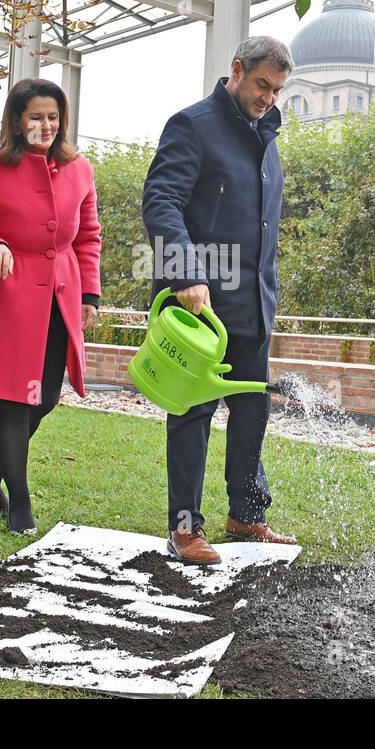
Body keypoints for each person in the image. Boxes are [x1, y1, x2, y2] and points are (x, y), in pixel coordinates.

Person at [142, 36, 300, 566]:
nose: (268, 98)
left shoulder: (266, 137)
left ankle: (246, 514)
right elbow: (162, 201)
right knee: (192, 411)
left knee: (252, 409)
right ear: (236, 71)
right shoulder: (193, 125)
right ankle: (185, 528)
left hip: (254, 304)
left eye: (277, 90)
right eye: (262, 85)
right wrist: (186, 271)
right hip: (200, 308)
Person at [0, 78, 101, 536]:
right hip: (10, 301)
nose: (46, 125)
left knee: (46, 397)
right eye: (36, 116)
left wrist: (90, 294)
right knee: (17, 403)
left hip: (60, 296)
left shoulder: (80, 169)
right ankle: (19, 504)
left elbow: (88, 235)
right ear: (17, 120)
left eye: (53, 117)